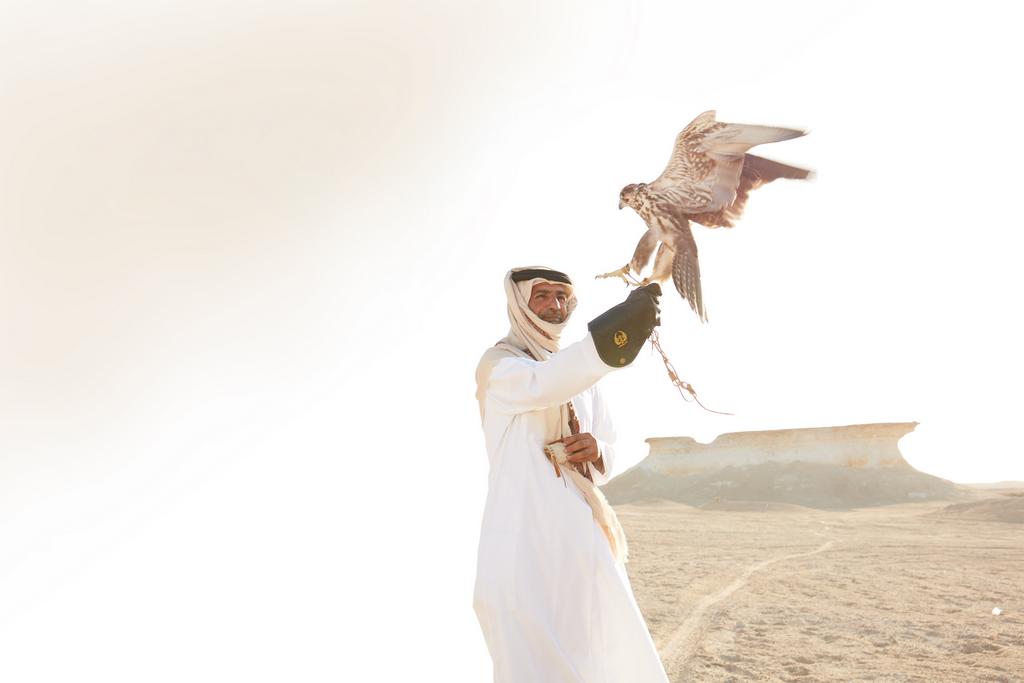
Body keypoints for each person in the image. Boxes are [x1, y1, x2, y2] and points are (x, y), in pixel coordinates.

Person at [473, 266, 669, 682]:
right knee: (528, 652)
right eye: (542, 295)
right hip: (522, 535)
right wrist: (618, 331)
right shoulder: (501, 366)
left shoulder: (583, 377)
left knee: (600, 650)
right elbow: (546, 383)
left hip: (580, 535)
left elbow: (615, 443)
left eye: (562, 296)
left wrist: (598, 451)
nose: (554, 305)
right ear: (519, 302)